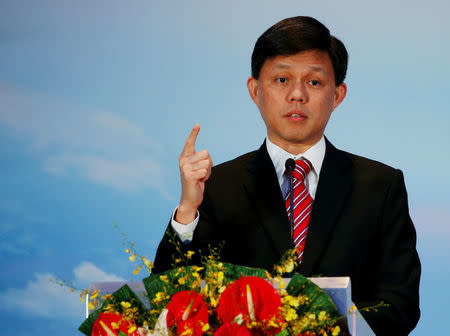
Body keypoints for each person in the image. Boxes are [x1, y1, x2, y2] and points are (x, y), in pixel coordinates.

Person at [153, 16, 421, 335]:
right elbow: (169, 301)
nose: (297, 95)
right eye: (282, 80)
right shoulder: (218, 186)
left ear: (337, 94)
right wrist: (187, 210)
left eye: (314, 82)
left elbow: (400, 305)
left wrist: (321, 328)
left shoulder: (380, 186)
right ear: (255, 90)